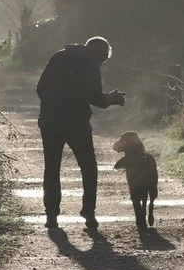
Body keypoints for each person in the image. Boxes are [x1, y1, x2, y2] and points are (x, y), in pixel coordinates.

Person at [36, 36, 126, 229]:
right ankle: (89, 212)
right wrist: (112, 99)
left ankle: (51, 215)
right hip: (76, 122)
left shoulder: (58, 57)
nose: (101, 63)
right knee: (88, 167)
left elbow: (40, 88)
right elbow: (94, 97)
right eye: (103, 60)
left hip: (50, 120)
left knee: (51, 167)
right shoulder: (90, 63)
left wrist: (53, 105)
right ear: (98, 53)